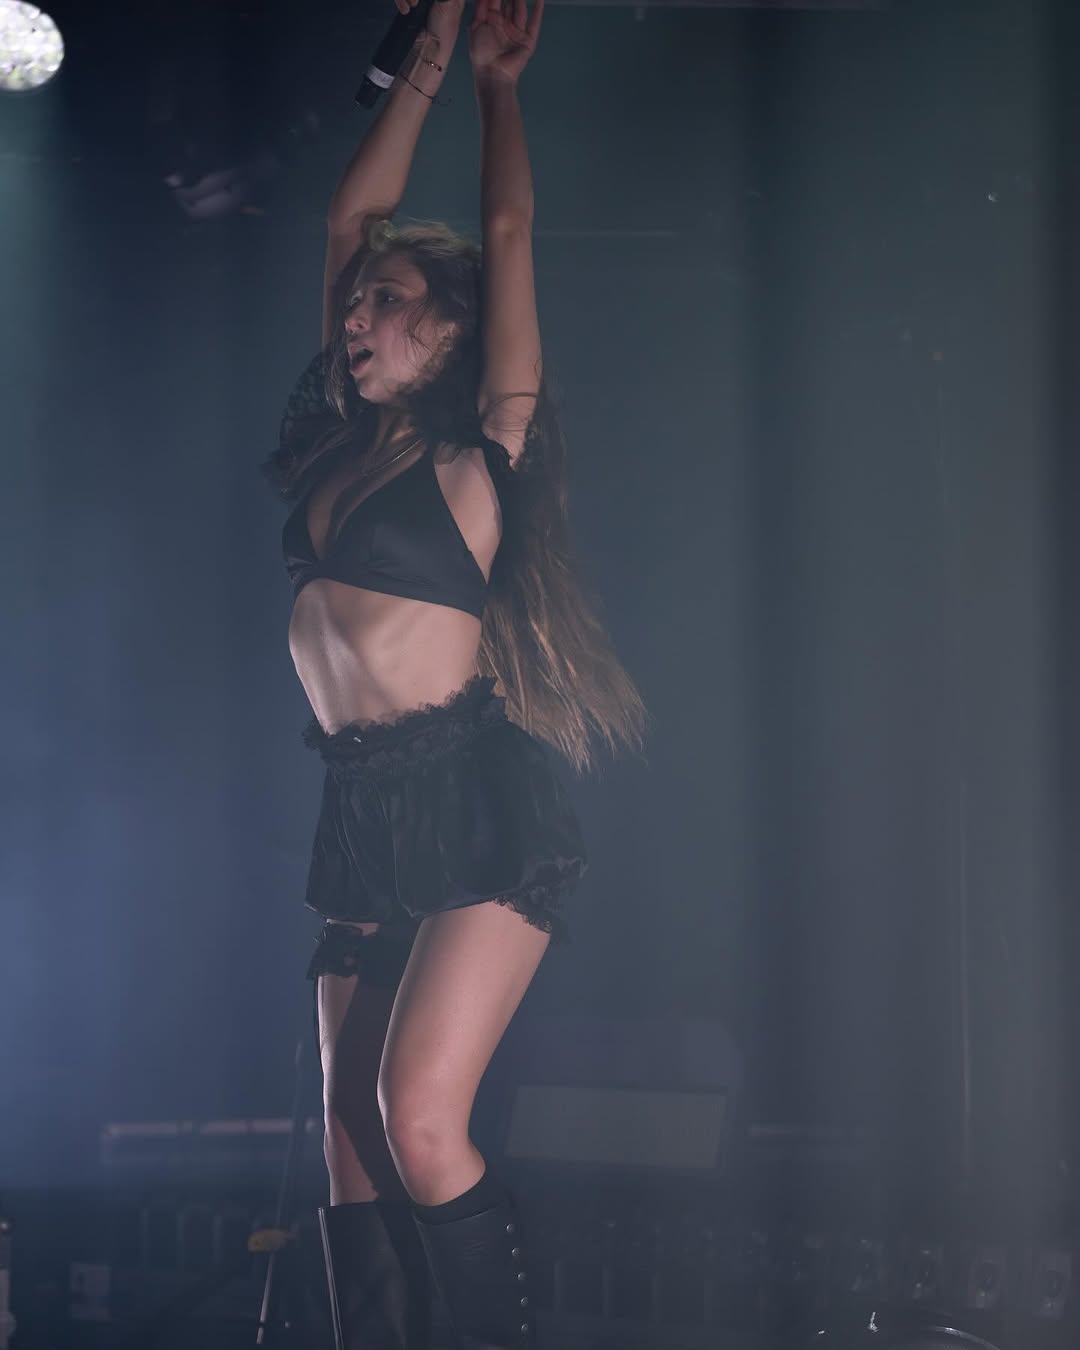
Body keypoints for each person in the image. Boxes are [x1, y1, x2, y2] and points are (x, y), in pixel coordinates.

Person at [261, 0, 646, 1344]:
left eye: (390, 302)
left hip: (475, 803)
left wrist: (492, 87)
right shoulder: (333, 446)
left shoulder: (483, 451)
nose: (359, 312)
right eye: (356, 302)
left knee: (419, 1117)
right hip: (359, 809)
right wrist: (422, 42)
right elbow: (347, 220)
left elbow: (510, 234)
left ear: (448, 333)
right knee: (349, 1143)